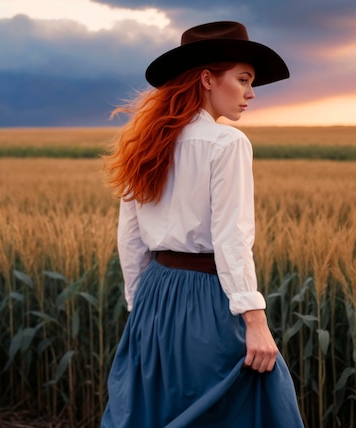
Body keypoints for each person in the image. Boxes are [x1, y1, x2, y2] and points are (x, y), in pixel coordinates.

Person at [101, 21, 305, 428]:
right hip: (209, 298)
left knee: (160, 409)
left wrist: (141, 307)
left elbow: (131, 238)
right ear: (208, 79)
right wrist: (255, 320)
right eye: (244, 80)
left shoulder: (145, 143)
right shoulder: (227, 143)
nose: (251, 94)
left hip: (154, 297)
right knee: (249, 407)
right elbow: (232, 238)